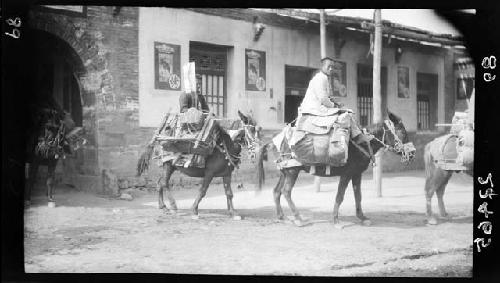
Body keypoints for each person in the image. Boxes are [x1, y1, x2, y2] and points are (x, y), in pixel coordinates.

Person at [298, 57, 368, 145]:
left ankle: (355, 136)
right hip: (315, 109)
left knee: (345, 110)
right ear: (322, 66)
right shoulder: (320, 78)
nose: (331, 69)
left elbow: (327, 97)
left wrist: (337, 103)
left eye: (332, 67)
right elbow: (323, 98)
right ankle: (357, 137)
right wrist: (335, 106)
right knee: (348, 114)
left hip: (318, 108)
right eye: (329, 66)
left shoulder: (324, 79)